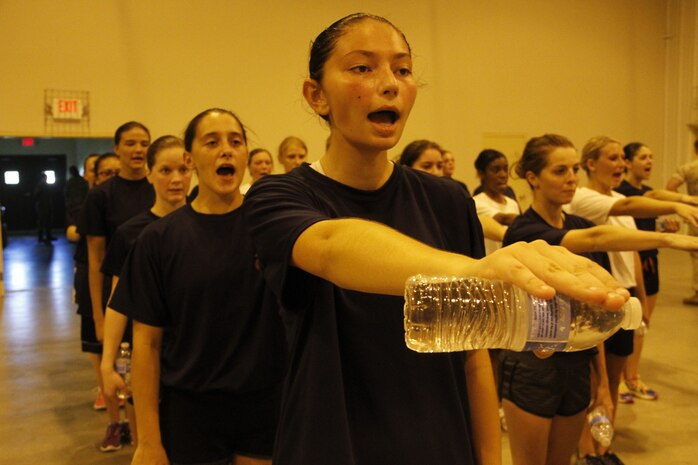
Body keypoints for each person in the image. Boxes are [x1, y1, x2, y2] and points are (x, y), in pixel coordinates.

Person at [244, 13, 629, 465]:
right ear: (316, 95)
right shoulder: (281, 195)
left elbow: (473, 353)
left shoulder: (447, 200)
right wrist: (473, 270)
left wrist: (488, 457)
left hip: (437, 439)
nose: (389, 84)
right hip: (332, 442)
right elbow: (331, 247)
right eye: (362, 68)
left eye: (402, 70)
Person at [502, 134, 698, 465]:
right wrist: (672, 238)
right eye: (559, 170)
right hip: (533, 366)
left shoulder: (578, 221)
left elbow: (596, 314)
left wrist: (604, 383)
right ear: (532, 177)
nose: (571, 179)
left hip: (578, 363)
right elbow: (594, 238)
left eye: (575, 169)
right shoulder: (524, 231)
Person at [110, 109, 286, 465]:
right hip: (191, 409)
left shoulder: (272, 230)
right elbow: (147, 343)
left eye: (235, 142)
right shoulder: (158, 239)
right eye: (212, 141)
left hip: (265, 403)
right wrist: (148, 441)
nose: (226, 150)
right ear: (190, 160)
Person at [567, 135, 698, 464]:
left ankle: (604, 446)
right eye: (613, 158)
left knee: (612, 382)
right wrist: (679, 208)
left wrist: (640, 297)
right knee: (592, 382)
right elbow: (630, 205)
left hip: (623, 299)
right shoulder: (584, 199)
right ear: (590, 164)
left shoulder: (617, 197)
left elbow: (633, 253)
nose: (621, 165)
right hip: (595, 301)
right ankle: (586, 451)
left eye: (620, 159)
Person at [99, 135, 192, 452]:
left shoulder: (207, 223)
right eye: (166, 170)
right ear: (150, 174)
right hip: (148, 353)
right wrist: (107, 363)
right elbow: (118, 302)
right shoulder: (131, 234)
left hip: (194, 358)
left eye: (182, 169)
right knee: (150, 445)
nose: (176, 179)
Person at [78, 122, 154, 452]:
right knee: (123, 375)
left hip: (154, 298)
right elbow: (96, 261)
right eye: (131, 143)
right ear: (117, 148)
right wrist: (98, 316)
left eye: (144, 143)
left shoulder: (159, 187)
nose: (138, 150)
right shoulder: (100, 197)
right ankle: (122, 428)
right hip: (115, 295)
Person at [66, 152, 114, 411]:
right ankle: (104, 389)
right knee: (95, 338)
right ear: (91, 175)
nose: (110, 178)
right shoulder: (84, 201)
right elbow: (72, 231)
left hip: (115, 275)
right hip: (88, 271)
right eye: (103, 172)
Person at [667, 139, 698, 305]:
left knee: (696, 251)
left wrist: (684, 204)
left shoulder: (688, 168)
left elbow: (670, 186)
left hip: (695, 213)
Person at [473, 149, 521, 255]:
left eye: (505, 169)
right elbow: (504, 218)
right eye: (496, 170)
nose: (503, 175)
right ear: (481, 174)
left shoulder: (512, 203)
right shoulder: (476, 202)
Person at [34, 172, 56, 243]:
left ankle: (48, 235)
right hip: (42, 206)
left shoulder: (44, 185)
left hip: (46, 205)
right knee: (42, 221)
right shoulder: (40, 185)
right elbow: (36, 194)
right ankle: (41, 237)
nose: (46, 179)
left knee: (48, 221)